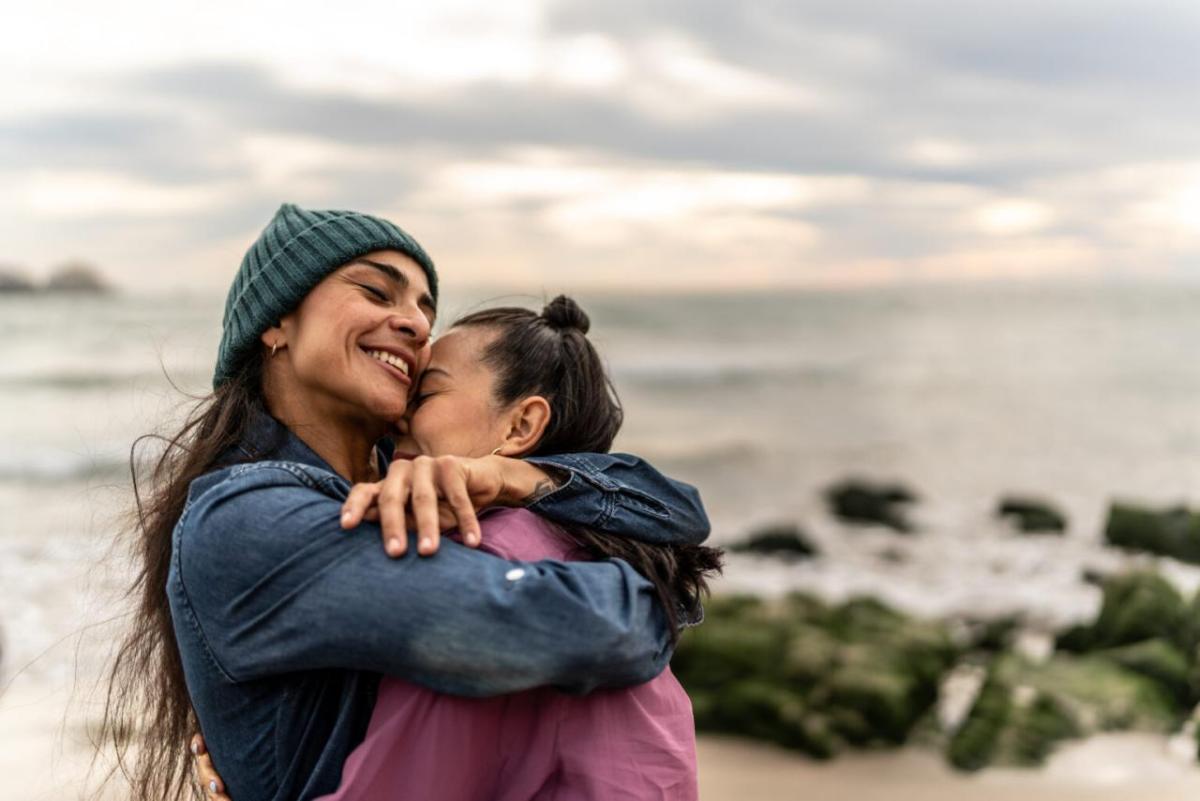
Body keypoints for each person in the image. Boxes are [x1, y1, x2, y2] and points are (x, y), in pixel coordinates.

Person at [97, 204, 710, 801]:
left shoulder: (411, 479)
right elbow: (584, 632)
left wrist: (518, 477)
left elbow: (677, 511)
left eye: (425, 307)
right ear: (277, 322)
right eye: (377, 291)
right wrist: (655, 592)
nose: (417, 323)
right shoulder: (248, 519)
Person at [199, 296, 723, 800]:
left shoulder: (489, 559)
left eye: (423, 396)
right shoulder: (587, 544)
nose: (397, 416)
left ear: (522, 425)